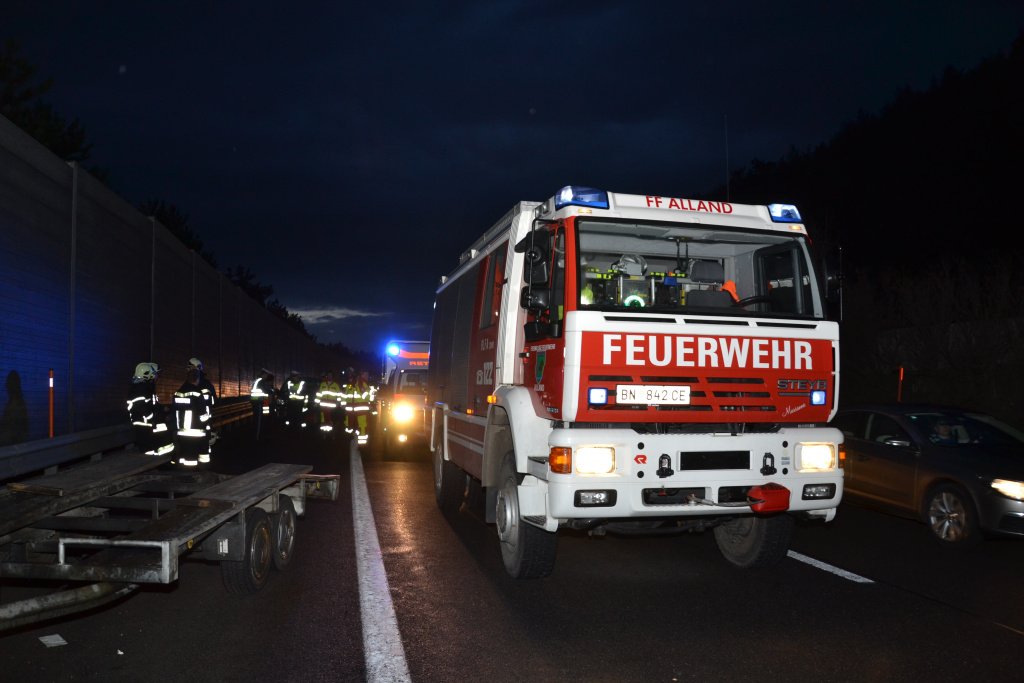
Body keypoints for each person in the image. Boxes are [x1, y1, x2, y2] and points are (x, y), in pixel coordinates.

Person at [126, 362, 174, 457]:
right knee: (148, 451)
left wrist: (163, 409)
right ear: (147, 375)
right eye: (155, 374)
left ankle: (160, 458)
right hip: (144, 425)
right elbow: (141, 407)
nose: (156, 377)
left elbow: (152, 405)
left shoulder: (146, 388)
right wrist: (153, 417)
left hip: (147, 425)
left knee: (157, 446)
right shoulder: (140, 389)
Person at [174, 364, 213, 467]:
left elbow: (174, 412)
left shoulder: (178, 393)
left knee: (186, 458)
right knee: (202, 458)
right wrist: (208, 425)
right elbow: (203, 415)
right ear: (197, 379)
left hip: (182, 433)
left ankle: (184, 472)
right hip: (197, 432)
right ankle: (202, 473)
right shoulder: (197, 394)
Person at [188, 357, 217, 448]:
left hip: (193, 422)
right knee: (204, 447)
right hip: (204, 421)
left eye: (189, 367)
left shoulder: (188, 385)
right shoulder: (207, 384)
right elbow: (214, 401)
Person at [349, 369, 373, 446]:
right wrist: (369, 392)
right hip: (362, 407)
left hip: (360, 407)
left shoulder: (360, 382)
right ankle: (362, 444)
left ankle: (360, 441)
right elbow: (364, 396)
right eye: (366, 374)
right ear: (362, 375)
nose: (367, 376)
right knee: (362, 425)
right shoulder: (361, 383)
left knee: (360, 425)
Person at [250, 367, 275, 439]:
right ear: (264, 374)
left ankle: (258, 436)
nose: (267, 377)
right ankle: (257, 437)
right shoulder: (261, 381)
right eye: (266, 375)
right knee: (259, 421)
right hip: (259, 402)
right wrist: (273, 391)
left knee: (258, 420)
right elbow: (267, 390)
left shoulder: (256, 380)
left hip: (256, 402)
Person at [316, 370, 342, 436]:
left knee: (331, 420)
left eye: (331, 375)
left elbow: (339, 395)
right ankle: (323, 434)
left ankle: (331, 434)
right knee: (323, 420)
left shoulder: (336, 385)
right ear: (327, 376)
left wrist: (339, 403)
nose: (329, 376)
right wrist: (316, 403)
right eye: (328, 375)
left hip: (332, 407)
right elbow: (319, 394)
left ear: (332, 376)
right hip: (323, 406)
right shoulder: (323, 384)